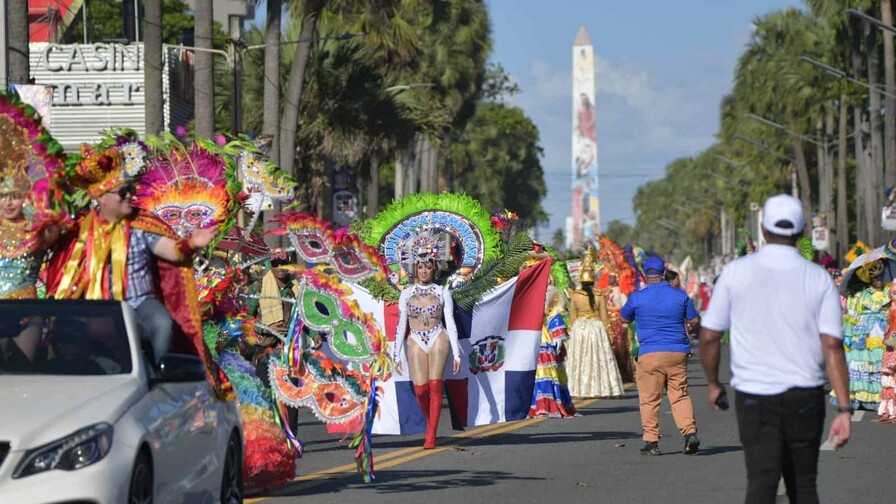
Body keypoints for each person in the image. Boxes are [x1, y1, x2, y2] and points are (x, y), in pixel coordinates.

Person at [700, 194, 850, 504]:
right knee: (804, 485)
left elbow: (709, 336)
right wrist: (845, 409)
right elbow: (832, 344)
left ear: (762, 228)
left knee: (761, 481)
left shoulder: (735, 272)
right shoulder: (818, 277)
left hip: (755, 396)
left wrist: (714, 383)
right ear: (801, 231)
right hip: (806, 396)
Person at [46, 145, 219, 365]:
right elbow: (62, 269)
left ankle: (161, 373)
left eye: (131, 190)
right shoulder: (80, 231)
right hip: (97, 310)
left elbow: (172, 251)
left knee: (162, 323)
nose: (129, 196)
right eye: (122, 192)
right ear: (102, 198)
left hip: (141, 304)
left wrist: (191, 243)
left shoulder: (140, 225)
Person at [620, 256, 700, 456]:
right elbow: (694, 319)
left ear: (646, 274)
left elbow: (623, 317)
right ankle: (689, 433)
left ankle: (651, 442)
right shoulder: (679, 295)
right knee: (679, 394)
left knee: (649, 399)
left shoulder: (637, 297)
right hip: (677, 353)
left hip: (650, 354)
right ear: (663, 272)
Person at [392, 233, 461, 449]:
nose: (424, 271)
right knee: (420, 389)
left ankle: (430, 435)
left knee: (435, 385)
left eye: (428, 267)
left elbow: (449, 321)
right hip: (416, 339)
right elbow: (401, 324)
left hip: (438, 336)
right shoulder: (406, 293)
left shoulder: (442, 292)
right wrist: (396, 353)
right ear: (415, 268)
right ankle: (431, 422)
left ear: (434, 268)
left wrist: (457, 353)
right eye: (420, 267)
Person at [567, 248, 624, 398]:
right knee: (599, 359)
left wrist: (571, 335)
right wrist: (609, 334)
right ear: (593, 279)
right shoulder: (600, 295)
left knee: (580, 359)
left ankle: (579, 390)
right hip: (596, 329)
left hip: (580, 328)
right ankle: (603, 389)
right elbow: (605, 318)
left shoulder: (575, 296)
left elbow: (572, 319)